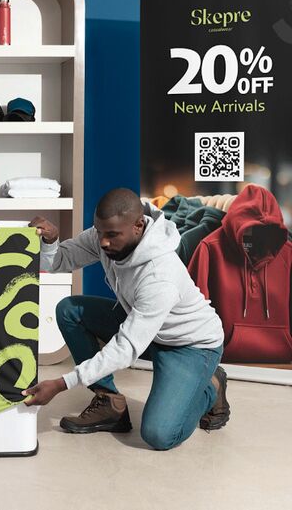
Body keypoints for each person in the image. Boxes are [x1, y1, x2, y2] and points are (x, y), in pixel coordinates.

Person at [23, 188, 229, 450]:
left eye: (112, 235)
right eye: (99, 233)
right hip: (147, 329)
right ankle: (110, 403)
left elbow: (127, 347)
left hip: (189, 346)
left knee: (160, 435)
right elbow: (59, 261)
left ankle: (211, 386)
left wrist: (62, 383)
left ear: (138, 226)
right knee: (69, 310)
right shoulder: (105, 235)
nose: (104, 242)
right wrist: (51, 242)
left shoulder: (159, 274)